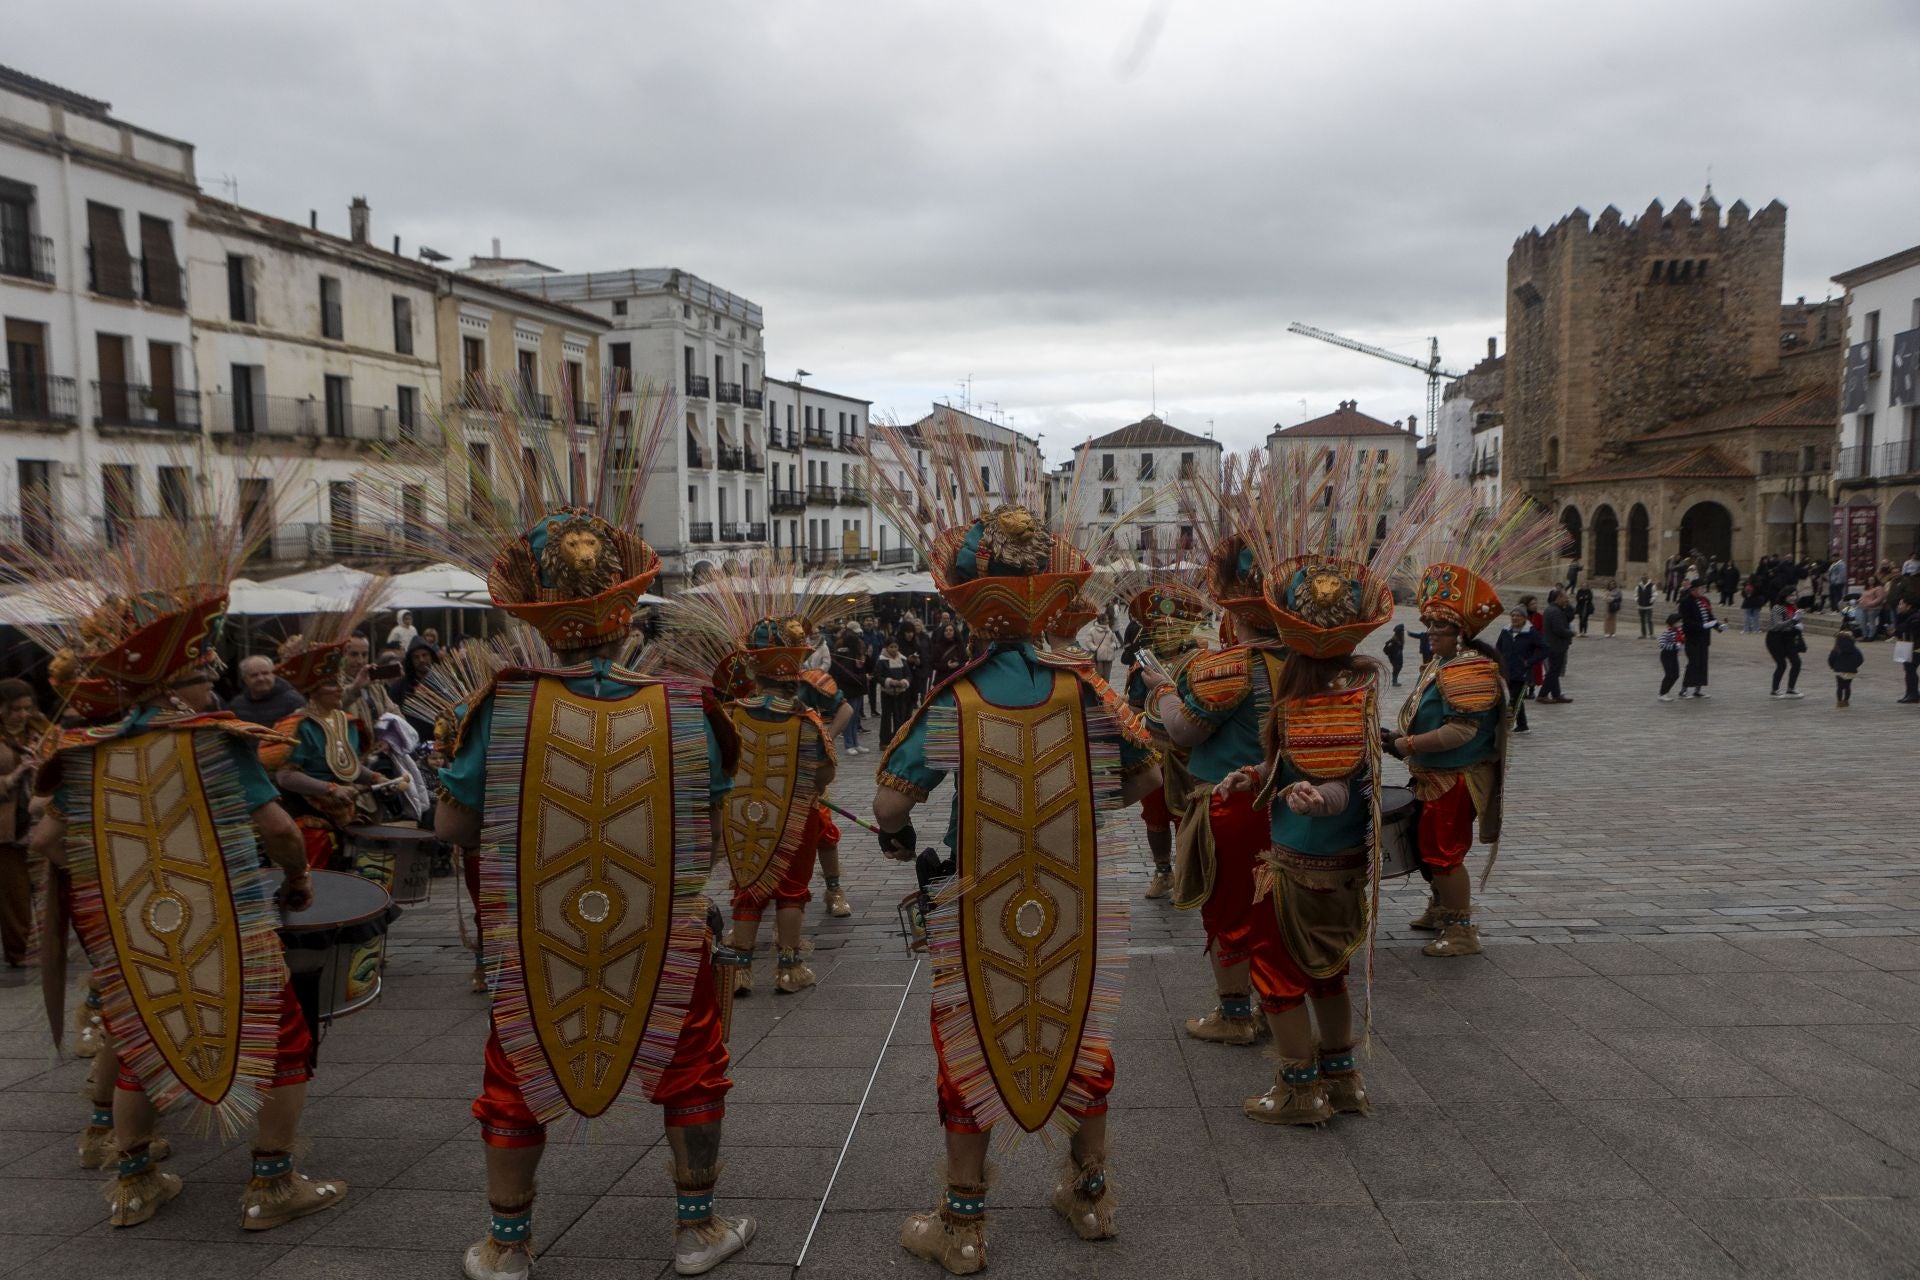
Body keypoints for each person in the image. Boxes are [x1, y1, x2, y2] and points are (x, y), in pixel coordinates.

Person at [425, 394, 754, 1279]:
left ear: (534, 615)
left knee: (517, 1071)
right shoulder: (688, 707)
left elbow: (453, 823)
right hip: (664, 928)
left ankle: (506, 1245)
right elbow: (714, 837)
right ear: (627, 609)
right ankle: (695, 1232)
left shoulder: (501, 708)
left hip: (538, 932)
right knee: (692, 1065)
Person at [868, 418, 1156, 1272]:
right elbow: (1147, 782)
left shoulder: (955, 700)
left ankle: (963, 1226)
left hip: (977, 898)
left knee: (971, 1039)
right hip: (1074, 892)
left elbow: (888, 798)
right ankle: (1092, 1199)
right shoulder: (1090, 690)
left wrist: (898, 835)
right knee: (1081, 1037)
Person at [25, 520, 346, 1232]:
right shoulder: (213, 742)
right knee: (282, 1038)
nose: (217, 684)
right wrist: (295, 882)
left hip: (137, 929)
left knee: (142, 1039)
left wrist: (118, 876)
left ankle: (135, 1186)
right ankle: (271, 1185)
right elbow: (282, 831)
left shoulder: (83, 755)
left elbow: (46, 838)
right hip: (225, 924)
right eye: (206, 674)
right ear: (178, 681)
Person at [1144, 523, 1290, 1049]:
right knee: (1276, 909)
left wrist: (1162, 690)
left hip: (1235, 804)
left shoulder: (1226, 666)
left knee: (1229, 904)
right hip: (1296, 807)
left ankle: (1235, 1013)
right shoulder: (1307, 664)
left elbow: (1182, 731)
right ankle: (1279, 1004)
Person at [1121, 580, 1208, 900]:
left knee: (1188, 815)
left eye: (1175, 628)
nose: (1168, 633)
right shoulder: (1140, 668)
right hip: (1155, 752)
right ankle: (1163, 871)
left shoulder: (1201, 665)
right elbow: (1132, 709)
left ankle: (1187, 873)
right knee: (1155, 816)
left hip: (1191, 753)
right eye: (1161, 628)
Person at [0, 679, 39, 966]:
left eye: (27, 708)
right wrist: (14, 776)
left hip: (38, 819)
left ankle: (45, 947)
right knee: (15, 894)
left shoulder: (38, 731)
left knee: (44, 889)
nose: (22, 715)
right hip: (7, 826)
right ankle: (19, 952)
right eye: (15, 709)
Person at [1493, 610, 1544, 734]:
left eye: (1518, 616)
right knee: (1512, 698)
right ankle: (1523, 725)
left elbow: (1545, 649)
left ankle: (1508, 725)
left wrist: (1530, 661)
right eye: (1513, 615)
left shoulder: (1530, 633)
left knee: (1513, 699)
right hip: (1507, 671)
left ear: (1524, 618)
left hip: (1522, 673)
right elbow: (1498, 648)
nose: (1515, 618)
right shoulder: (1506, 631)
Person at [1677, 578, 1726, 699]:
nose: (1703, 590)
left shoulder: (1705, 601)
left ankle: (1698, 689)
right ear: (1693, 589)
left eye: (1704, 588)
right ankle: (1684, 689)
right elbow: (1686, 622)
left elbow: (1710, 617)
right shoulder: (1686, 602)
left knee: (1702, 663)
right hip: (1692, 637)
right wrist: (1701, 626)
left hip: (1704, 638)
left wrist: (1719, 626)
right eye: (1701, 588)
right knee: (1693, 662)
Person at [227, 653, 306, 727]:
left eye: (265, 673)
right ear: (245, 679)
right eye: (254, 675)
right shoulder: (237, 706)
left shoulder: (294, 702)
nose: (261, 678)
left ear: (274, 674)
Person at [830, 630, 869, 755]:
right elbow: (847, 676)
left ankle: (855, 743)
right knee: (849, 719)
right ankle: (849, 744)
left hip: (856, 690)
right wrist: (863, 677)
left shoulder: (855, 655)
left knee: (855, 718)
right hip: (849, 690)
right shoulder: (845, 656)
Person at [1764, 591, 1805, 699]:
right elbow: (1777, 625)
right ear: (1784, 596)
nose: (1793, 598)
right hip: (1775, 638)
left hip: (1789, 638)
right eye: (1790, 595)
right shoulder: (1777, 608)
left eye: (1795, 595)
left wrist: (1799, 624)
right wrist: (1793, 621)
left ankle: (1791, 688)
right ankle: (1775, 690)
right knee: (1782, 664)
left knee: (1796, 662)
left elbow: (1794, 622)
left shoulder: (1794, 607)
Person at [876, 636, 916, 743]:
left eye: (895, 647)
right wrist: (890, 682)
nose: (893, 649)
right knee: (886, 718)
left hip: (901, 692)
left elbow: (908, 674)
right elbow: (878, 676)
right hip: (887, 693)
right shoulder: (882, 660)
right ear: (887, 647)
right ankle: (884, 741)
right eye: (891, 647)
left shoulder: (902, 659)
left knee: (899, 716)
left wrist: (904, 682)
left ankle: (898, 739)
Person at [1538, 588, 1575, 703]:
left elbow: (1570, 614)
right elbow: (1559, 630)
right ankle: (1542, 694)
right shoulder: (1555, 612)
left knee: (1554, 670)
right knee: (1553, 671)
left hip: (1553, 644)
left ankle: (1556, 694)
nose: (1567, 600)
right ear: (1558, 598)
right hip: (1556, 645)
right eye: (1565, 597)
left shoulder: (1553, 609)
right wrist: (1571, 633)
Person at [1829, 631, 1863, 707]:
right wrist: (1855, 665)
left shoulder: (1836, 648)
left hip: (1839, 670)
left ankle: (1839, 702)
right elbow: (1860, 659)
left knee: (1839, 687)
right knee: (1847, 686)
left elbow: (1831, 658)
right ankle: (1846, 701)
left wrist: (1833, 666)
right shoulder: (1854, 649)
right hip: (1851, 670)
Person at [1656, 612, 1685, 701]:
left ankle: (1666, 692)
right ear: (1673, 622)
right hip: (1666, 655)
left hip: (1674, 655)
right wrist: (1674, 646)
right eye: (1678, 622)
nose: (1680, 623)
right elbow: (1661, 644)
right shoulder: (1667, 632)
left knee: (1676, 675)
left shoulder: (1679, 631)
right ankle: (1662, 693)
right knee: (1669, 674)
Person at [1635, 574, 1657, 639]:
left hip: (1649, 606)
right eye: (1643, 578)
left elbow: (1655, 594)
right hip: (1640, 606)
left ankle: (1651, 634)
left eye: (1645, 578)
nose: (1644, 579)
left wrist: (1651, 600)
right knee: (1642, 621)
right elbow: (1635, 594)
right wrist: (1637, 600)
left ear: (1647, 578)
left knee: (1649, 620)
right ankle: (1643, 634)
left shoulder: (1652, 586)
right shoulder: (1638, 586)